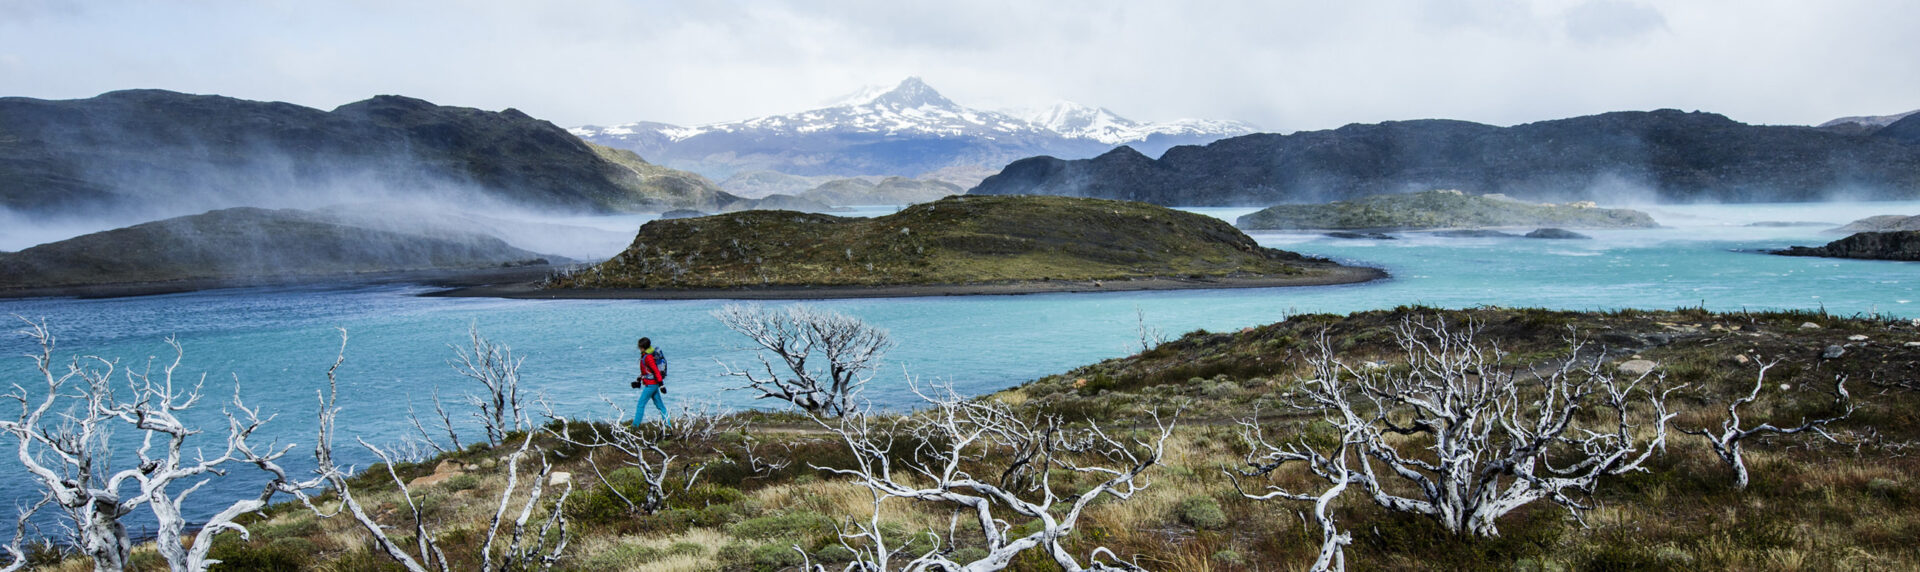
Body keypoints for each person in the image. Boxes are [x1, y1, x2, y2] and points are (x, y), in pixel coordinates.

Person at [632, 337, 671, 428]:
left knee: (640, 404)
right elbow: (646, 371)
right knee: (660, 406)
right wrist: (638, 380)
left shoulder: (648, 357)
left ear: (642, 347)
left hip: (651, 385)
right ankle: (668, 426)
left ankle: (635, 426)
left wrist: (661, 385)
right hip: (653, 384)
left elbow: (656, 371)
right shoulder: (646, 355)